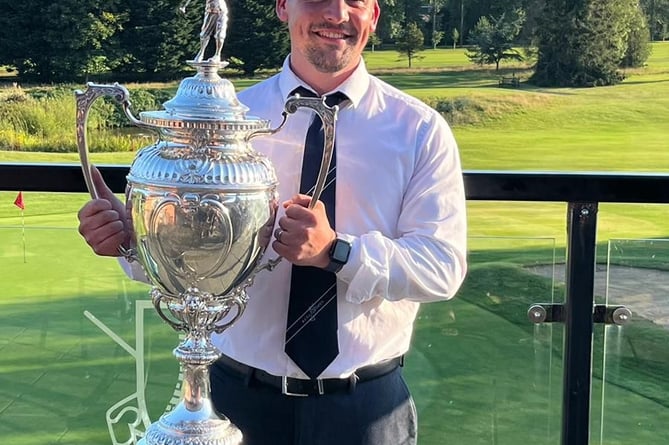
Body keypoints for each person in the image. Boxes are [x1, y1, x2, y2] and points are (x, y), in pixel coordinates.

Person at [77, 0, 467, 444]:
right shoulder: (224, 123)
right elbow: (186, 263)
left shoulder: (419, 129)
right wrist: (133, 242)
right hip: (235, 403)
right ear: (283, 6)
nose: (337, 14)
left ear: (374, 15)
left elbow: (442, 268)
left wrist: (338, 252)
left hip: (366, 414)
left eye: (355, 1)